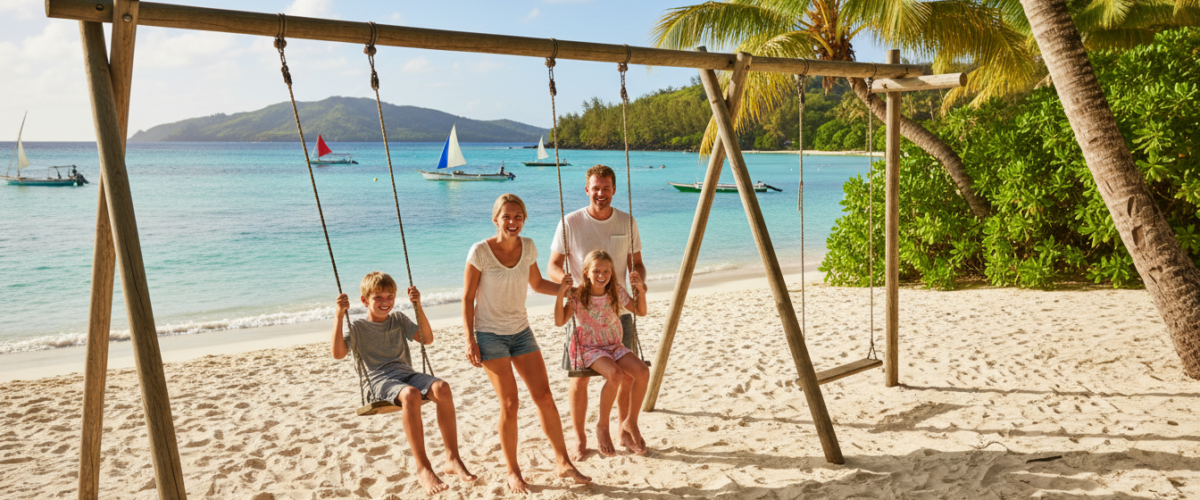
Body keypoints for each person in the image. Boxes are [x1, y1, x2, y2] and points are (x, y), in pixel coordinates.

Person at [463, 193, 591, 494]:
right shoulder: (480, 251)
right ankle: (513, 471)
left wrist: (567, 291)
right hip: (489, 334)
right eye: (506, 216)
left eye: (518, 216)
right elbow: (468, 298)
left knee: (544, 396)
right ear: (496, 219)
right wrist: (470, 339)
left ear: (524, 219)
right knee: (510, 403)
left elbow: (536, 284)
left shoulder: (529, 246)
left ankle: (563, 462)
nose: (512, 222)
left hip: (521, 331)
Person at [332, 272, 476, 496]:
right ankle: (423, 468)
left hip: (406, 374)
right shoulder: (358, 327)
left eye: (390, 296)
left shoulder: (398, 319)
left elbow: (427, 339)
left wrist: (417, 306)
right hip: (379, 381)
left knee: (442, 388)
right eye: (378, 297)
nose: (385, 302)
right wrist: (339, 315)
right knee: (410, 394)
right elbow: (339, 353)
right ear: (364, 300)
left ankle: (453, 458)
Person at [548, 164, 648, 459]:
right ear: (587, 189)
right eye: (596, 188)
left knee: (629, 375)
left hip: (617, 307)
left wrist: (639, 281)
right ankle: (580, 439)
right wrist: (567, 285)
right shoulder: (570, 223)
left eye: (606, 188)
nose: (601, 193)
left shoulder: (627, 222)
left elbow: (637, 263)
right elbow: (553, 265)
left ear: (614, 189)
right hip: (583, 310)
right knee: (579, 380)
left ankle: (625, 430)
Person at [554, 250, 650, 455]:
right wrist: (561, 293)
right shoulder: (579, 294)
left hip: (613, 344)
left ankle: (630, 422)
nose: (602, 275)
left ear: (612, 273)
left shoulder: (615, 290)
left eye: (606, 271)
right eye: (596, 270)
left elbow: (640, 312)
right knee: (615, 375)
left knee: (642, 372)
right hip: (589, 347)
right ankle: (603, 426)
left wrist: (640, 290)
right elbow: (559, 321)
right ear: (586, 272)